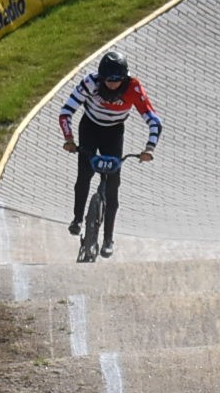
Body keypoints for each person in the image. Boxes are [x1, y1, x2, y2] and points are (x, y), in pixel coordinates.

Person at [59, 51, 162, 249]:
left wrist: (149, 148)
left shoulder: (134, 87)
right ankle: (77, 219)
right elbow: (66, 112)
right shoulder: (90, 82)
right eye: (108, 80)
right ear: (101, 77)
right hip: (89, 128)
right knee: (84, 175)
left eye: (117, 80)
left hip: (114, 133)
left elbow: (154, 121)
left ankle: (108, 239)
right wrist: (69, 138)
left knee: (113, 186)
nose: (112, 84)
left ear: (125, 78)